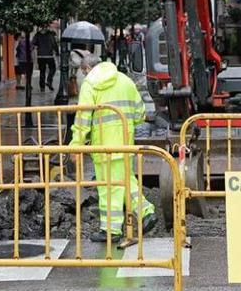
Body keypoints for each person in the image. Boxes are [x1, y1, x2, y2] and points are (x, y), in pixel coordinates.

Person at [69, 51, 157, 242]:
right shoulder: (125, 80)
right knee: (125, 182)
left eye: (83, 72)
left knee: (109, 188)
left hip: (104, 147)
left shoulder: (90, 84)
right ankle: (146, 213)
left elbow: (83, 118)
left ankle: (111, 230)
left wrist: (76, 144)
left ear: (86, 69)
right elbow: (140, 113)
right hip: (125, 143)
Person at [34, 27, 58, 92]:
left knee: (42, 71)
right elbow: (54, 44)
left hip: (40, 56)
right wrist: (57, 52)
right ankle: (49, 81)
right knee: (53, 68)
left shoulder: (37, 34)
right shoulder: (50, 35)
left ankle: (42, 88)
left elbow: (33, 43)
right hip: (49, 56)